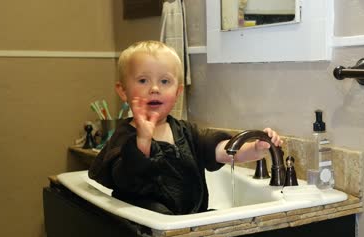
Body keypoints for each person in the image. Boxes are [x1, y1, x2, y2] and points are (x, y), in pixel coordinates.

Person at [89, 40, 283, 215]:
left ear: (178, 91)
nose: (155, 88)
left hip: (189, 222)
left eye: (164, 81)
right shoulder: (124, 136)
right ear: (123, 91)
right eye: (143, 80)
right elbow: (125, 178)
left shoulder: (186, 132)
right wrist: (142, 141)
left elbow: (223, 151)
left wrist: (255, 149)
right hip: (149, 228)